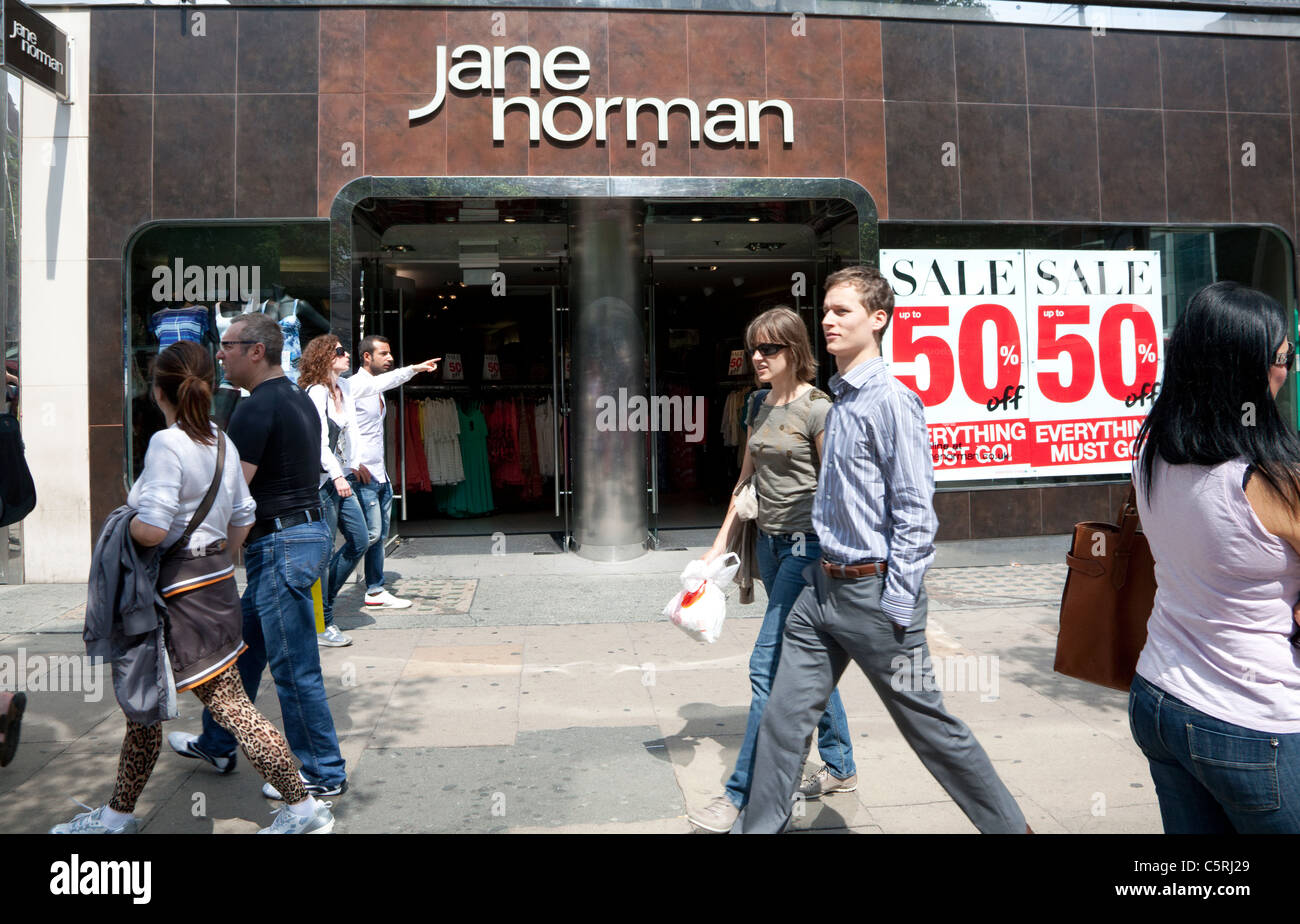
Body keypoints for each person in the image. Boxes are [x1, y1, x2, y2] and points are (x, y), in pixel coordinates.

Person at [740, 266, 1028, 834]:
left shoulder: (892, 400)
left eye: (842, 311)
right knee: (782, 720)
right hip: (820, 591)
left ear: (879, 320)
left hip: (873, 595)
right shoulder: (837, 400)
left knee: (933, 732)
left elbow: (916, 511)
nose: (827, 319)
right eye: (824, 310)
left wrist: (898, 603)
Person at [50, 342, 332, 834]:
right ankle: (117, 815)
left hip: (177, 596)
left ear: (159, 391)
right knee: (146, 710)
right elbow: (244, 514)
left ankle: (304, 808)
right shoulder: (220, 440)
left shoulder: (168, 444)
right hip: (213, 586)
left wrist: (122, 522)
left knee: (229, 707)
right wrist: (219, 553)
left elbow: (154, 528)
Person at [1129, 280, 1300, 833]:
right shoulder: (1273, 478)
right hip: (1252, 721)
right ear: (1243, 368)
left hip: (1159, 695)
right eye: (1282, 357)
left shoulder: (1152, 449)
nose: (1287, 370)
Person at [166, 313, 348, 802]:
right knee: (243, 651)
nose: (218, 353)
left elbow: (232, 492)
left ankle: (323, 771)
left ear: (256, 351)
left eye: (227, 345)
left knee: (294, 668)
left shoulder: (254, 408)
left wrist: (201, 549)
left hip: (283, 545)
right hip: (298, 539)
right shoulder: (292, 398)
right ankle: (218, 741)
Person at [688, 306, 856, 833]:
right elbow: (746, 481)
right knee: (803, 661)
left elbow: (836, 491)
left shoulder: (819, 409)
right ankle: (842, 765)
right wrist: (717, 547)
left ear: (795, 351)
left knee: (767, 668)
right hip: (771, 547)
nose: (756, 357)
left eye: (768, 348)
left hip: (808, 553)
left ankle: (741, 793)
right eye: (753, 348)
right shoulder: (758, 404)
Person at [349, 335, 439, 609]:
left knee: (379, 536)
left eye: (390, 354)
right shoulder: (353, 386)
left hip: (380, 475)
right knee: (370, 536)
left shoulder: (376, 388)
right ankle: (333, 586)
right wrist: (353, 463)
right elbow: (337, 428)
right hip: (362, 475)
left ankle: (375, 590)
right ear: (367, 357)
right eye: (384, 354)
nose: (389, 358)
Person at [298, 335, 367, 647]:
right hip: (324, 482)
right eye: (340, 351)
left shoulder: (342, 388)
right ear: (324, 357)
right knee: (323, 554)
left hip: (340, 477)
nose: (347, 354)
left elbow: (378, 385)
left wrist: (353, 465)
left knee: (361, 539)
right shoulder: (316, 392)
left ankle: (324, 605)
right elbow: (318, 441)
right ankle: (321, 622)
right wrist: (339, 475)